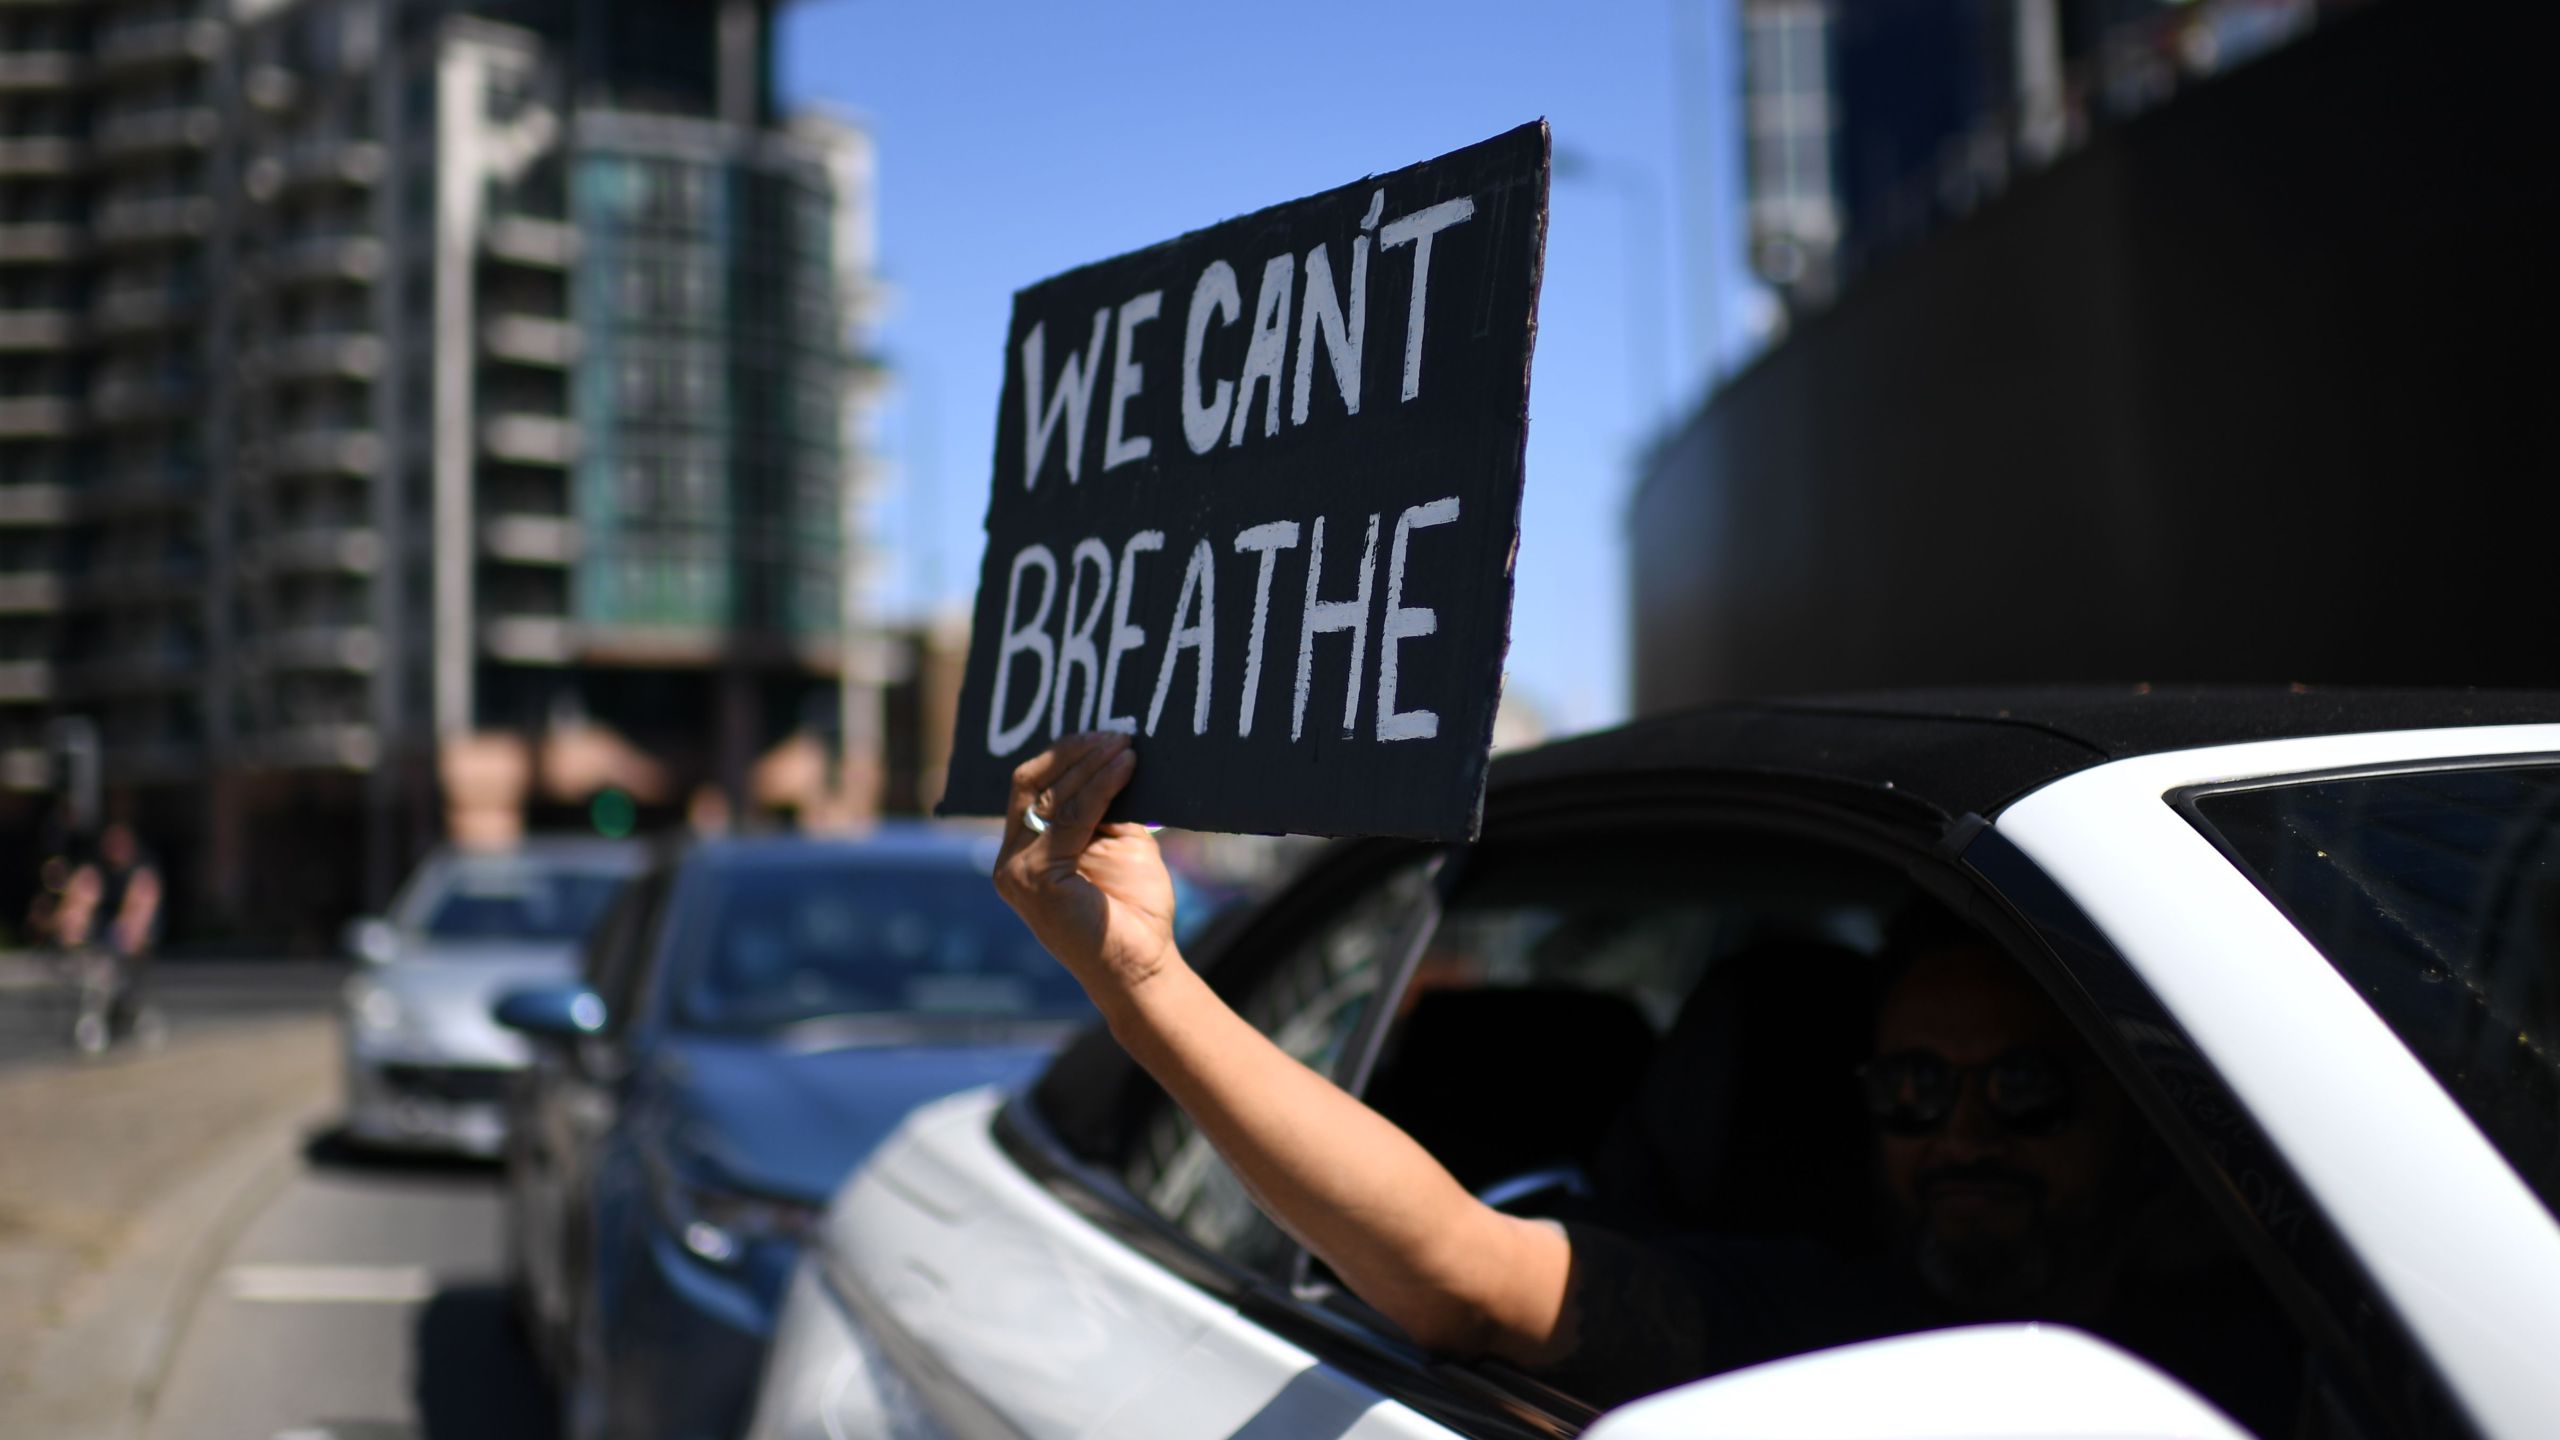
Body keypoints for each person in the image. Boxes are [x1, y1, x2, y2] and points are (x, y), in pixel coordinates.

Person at [993, 732, 2297, 1425]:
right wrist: (1142, 978)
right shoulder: (1818, 1321)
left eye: (2022, 1089)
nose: (1957, 1133)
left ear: (2136, 1106)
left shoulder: (2326, 1329)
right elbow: (1467, 1275)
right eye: (1910, 1088)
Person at [58, 822, 163, 1052]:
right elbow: (80, 899)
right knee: (98, 972)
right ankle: (95, 1018)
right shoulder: (96, 870)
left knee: (119, 969)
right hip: (102, 937)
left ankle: (127, 1012)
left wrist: (128, 934)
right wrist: (73, 924)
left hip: (129, 936)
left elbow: (141, 908)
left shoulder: (141, 870)